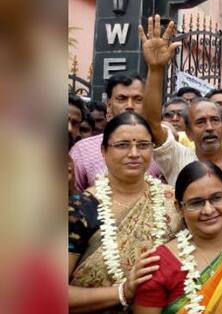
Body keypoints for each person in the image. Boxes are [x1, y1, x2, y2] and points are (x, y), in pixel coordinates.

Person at [68, 112, 182, 312]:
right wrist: (123, 292)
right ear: (104, 151)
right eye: (123, 145)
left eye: (143, 145)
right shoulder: (80, 208)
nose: (134, 153)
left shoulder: (175, 201)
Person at [134, 160, 222, 313]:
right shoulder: (157, 264)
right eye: (196, 203)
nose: (208, 210)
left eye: (217, 198)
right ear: (179, 208)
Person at [139, 15, 222, 187]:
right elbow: (152, 123)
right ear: (188, 133)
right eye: (200, 122)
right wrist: (155, 69)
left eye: (214, 120)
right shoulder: (178, 159)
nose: (210, 128)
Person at [70, 73, 164, 192]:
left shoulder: (162, 147)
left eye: (138, 99)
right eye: (122, 99)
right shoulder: (83, 150)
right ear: (109, 105)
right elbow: (73, 198)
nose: (130, 106)